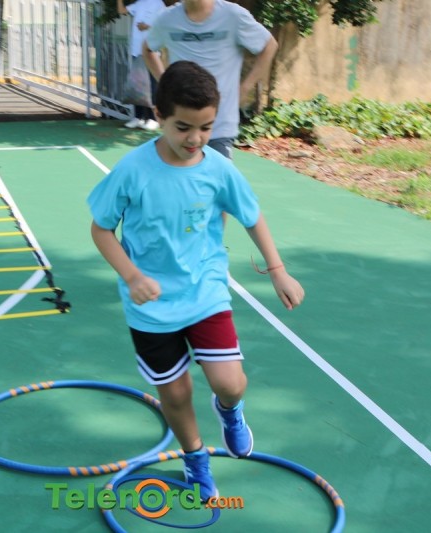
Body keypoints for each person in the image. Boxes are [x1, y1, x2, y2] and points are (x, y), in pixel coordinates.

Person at [87, 61, 304, 501]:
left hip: (205, 292)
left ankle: (230, 411)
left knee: (231, 383)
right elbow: (101, 229)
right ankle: (195, 459)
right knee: (176, 393)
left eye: (206, 128)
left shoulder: (218, 169)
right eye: (183, 127)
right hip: (151, 305)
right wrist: (131, 275)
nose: (195, 139)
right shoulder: (133, 170)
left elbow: (251, 215)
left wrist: (278, 270)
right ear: (159, 115)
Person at [142, 0, 277, 159]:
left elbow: (269, 45)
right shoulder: (167, 18)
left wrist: (244, 89)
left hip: (219, 126)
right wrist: (166, 84)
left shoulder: (232, 15)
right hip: (180, 128)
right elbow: (148, 49)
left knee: (217, 174)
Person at [116, 0, 165, 131]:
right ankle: (138, 117)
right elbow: (121, 11)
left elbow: (163, 26)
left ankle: (153, 119)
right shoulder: (139, 3)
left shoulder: (159, 4)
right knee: (137, 84)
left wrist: (147, 27)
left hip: (151, 51)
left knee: (152, 85)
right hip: (136, 51)